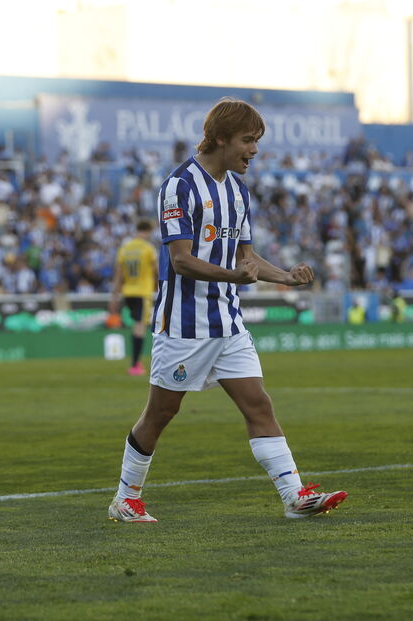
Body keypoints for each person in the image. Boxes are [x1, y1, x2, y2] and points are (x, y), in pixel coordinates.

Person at [107, 98, 348, 523]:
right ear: (220, 138)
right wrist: (233, 276)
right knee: (161, 413)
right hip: (183, 324)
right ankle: (125, 498)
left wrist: (286, 276)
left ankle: (295, 497)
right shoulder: (179, 186)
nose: (253, 150)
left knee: (259, 404)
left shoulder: (237, 190)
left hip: (228, 321)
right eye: (247, 140)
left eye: (256, 142)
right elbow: (181, 260)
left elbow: (246, 258)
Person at [109, 219, 158, 376]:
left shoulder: (125, 248)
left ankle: (136, 362)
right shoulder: (148, 248)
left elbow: (119, 274)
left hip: (128, 292)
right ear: (148, 231)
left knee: (136, 326)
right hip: (142, 292)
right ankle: (135, 364)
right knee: (140, 327)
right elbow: (156, 270)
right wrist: (158, 287)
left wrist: (114, 296)